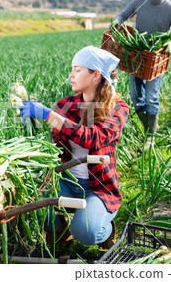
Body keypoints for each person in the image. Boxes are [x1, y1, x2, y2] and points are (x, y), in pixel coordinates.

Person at [19, 46, 129, 247]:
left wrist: (49, 116)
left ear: (95, 75)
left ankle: (105, 228)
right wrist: (28, 129)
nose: (71, 75)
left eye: (77, 70)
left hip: (99, 188)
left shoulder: (118, 108)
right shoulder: (65, 105)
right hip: (67, 182)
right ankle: (58, 229)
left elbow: (93, 138)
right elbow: (55, 147)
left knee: (86, 232)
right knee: (30, 196)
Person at [112, 0, 171, 149]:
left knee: (151, 99)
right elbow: (122, 15)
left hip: (156, 59)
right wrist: (117, 21)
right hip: (137, 56)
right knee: (136, 97)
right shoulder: (139, 2)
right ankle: (151, 127)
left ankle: (150, 138)